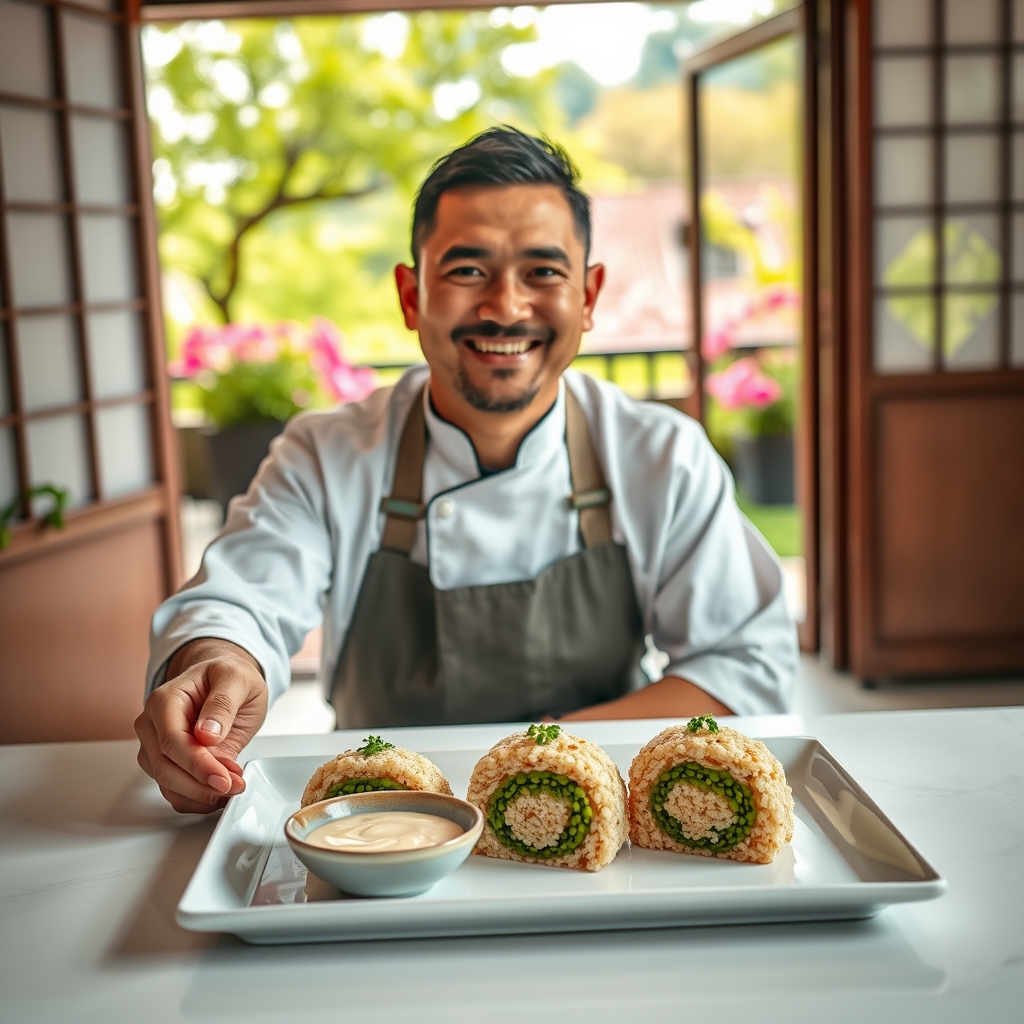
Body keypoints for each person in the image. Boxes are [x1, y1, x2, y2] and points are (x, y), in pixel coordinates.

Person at [137, 127, 798, 814]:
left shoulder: (660, 454)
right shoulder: (327, 455)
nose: (506, 307)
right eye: (467, 270)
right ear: (411, 296)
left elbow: (744, 667)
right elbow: (241, 602)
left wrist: (540, 766)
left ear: (589, 296)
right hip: (377, 829)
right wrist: (217, 668)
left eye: (543, 272)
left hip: (594, 835)